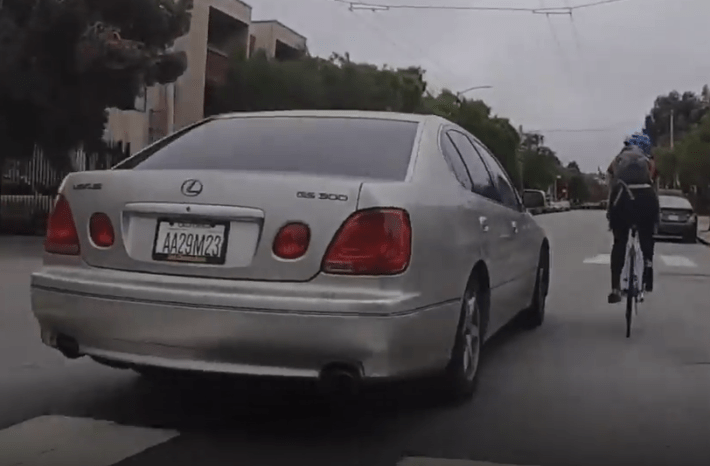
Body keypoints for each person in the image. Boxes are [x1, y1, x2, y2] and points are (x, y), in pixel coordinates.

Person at [605, 132, 659, 304]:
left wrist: (611, 208)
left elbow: (611, 180)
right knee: (647, 236)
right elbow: (653, 183)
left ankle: (615, 287)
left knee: (619, 241)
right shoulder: (649, 160)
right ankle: (648, 272)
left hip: (622, 200)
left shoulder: (619, 159)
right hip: (645, 200)